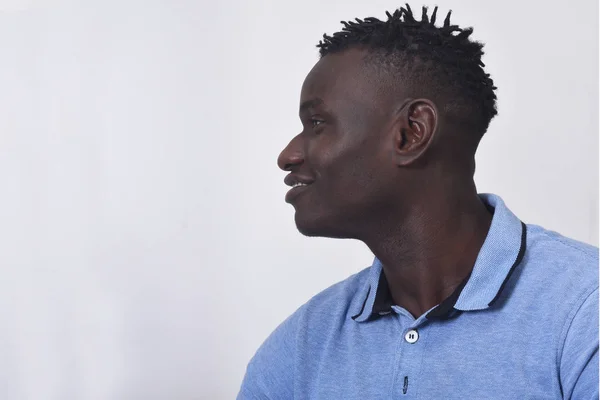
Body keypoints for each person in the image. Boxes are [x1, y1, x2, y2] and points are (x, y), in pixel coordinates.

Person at [237, 4, 599, 399]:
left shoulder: (583, 312)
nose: (288, 155)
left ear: (411, 134)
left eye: (317, 123)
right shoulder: (303, 348)